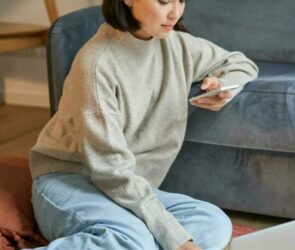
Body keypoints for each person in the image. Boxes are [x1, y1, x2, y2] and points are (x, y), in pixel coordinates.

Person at [29, 0, 258, 249]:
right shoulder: (96, 65)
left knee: (212, 222)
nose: (175, 12)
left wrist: (223, 87)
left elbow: (240, 63)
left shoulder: (178, 46)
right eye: (163, 1)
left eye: (181, 0)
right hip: (70, 180)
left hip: (130, 187)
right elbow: (109, 170)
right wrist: (176, 240)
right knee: (137, 240)